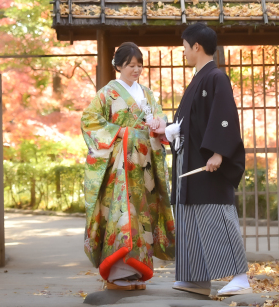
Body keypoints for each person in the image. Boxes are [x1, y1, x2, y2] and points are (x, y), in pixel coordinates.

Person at [155, 23, 252, 297]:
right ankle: (196, 279)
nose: (183, 51)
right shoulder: (198, 78)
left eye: (185, 47)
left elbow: (224, 116)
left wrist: (218, 152)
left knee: (216, 216)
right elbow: (190, 122)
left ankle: (240, 277)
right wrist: (170, 129)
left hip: (209, 163)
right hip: (189, 162)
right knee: (190, 217)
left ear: (196, 46)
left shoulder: (215, 77)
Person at [80, 42, 175, 291]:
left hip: (144, 164)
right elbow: (89, 121)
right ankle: (115, 274)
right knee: (122, 213)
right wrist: (121, 132)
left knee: (142, 214)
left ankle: (136, 271)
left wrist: (158, 124)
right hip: (120, 165)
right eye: (131, 65)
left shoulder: (147, 93)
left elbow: (160, 117)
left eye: (139, 65)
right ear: (119, 66)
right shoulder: (107, 93)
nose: (137, 70)